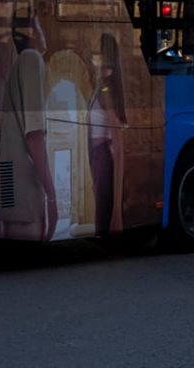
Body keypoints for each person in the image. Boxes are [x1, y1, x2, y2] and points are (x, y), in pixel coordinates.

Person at [0, 7, 58, 240]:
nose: (44, 33)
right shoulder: (31, 59)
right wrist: (52, 197)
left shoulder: (19, 63)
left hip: (11, 186)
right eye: (39, 26)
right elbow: (34, 137)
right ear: (31, 31)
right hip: (25, 190)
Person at [88, 33, 127, 236]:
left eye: (97, 51)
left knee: (103, 227)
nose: (93, 55)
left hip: (103, 162)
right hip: (99, 162)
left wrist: (117, 211)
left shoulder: (107, 90)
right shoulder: (102, 87)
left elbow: (118, 146)